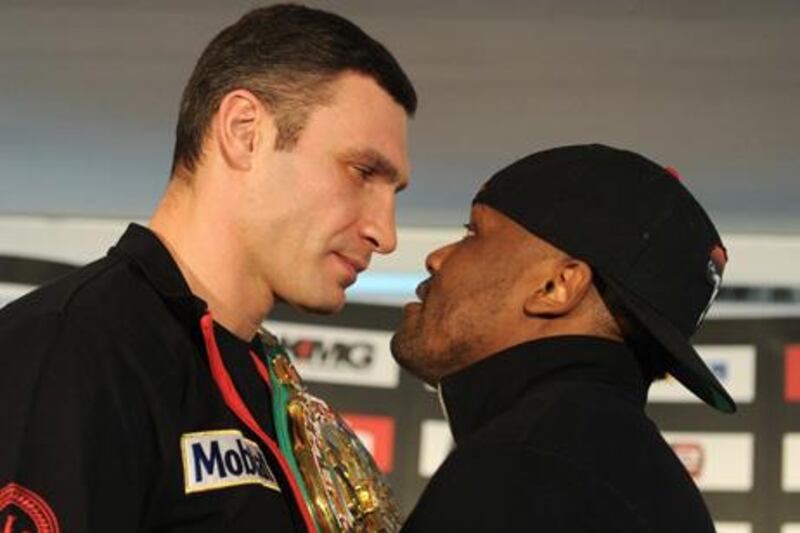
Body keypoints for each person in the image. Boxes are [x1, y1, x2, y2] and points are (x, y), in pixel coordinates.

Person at [0, 4, 415, 532]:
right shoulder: (72, 348)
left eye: (394, 193)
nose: (385, 232)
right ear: (245, 132)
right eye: (361, 172)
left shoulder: (264, 379)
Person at [392, 144, 734, 532]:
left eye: (473, 233)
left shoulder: (524, 468)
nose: (437, 257)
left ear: (556, 286)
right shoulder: (614, 466)